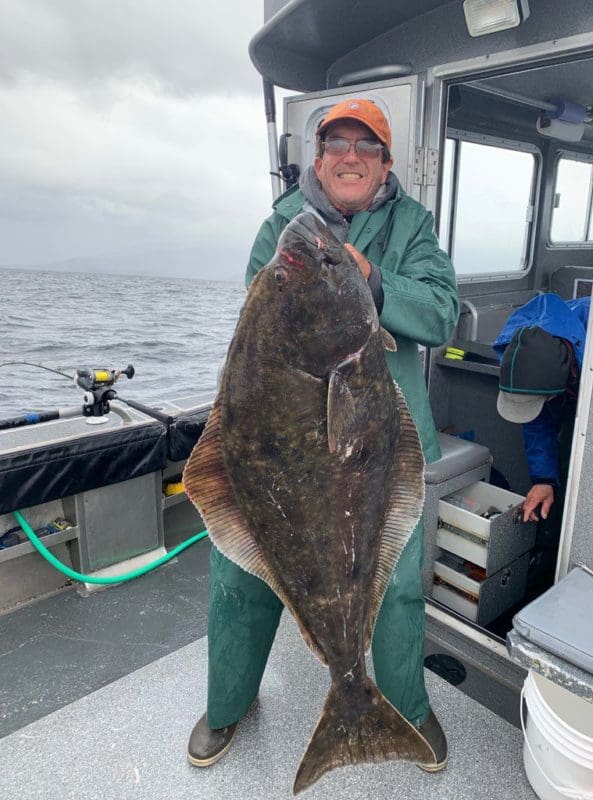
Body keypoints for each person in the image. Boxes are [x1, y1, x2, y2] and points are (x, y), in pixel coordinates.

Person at [187, 98, 459, 771]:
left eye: (367, 147)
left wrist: (375, 282)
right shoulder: (282, 225)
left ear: (386, 166)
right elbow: (266, 311)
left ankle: (403, 707)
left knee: (393, 583)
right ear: (318, 155)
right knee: (240, 581)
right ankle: (228, 706)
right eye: (337, 141)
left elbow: (442, 311)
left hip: (374, 447)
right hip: (281, 446)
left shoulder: (412, 226)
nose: (350, 156)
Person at [494, 292, 590, 594]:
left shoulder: (590, 340)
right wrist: (544, 479)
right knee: (558, 475)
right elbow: (536, 421)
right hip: (567, 388)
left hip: (590, 405)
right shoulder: (521, 347)